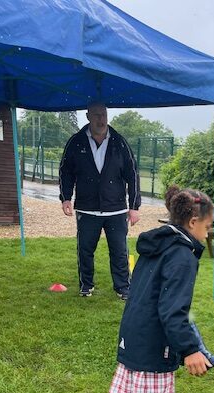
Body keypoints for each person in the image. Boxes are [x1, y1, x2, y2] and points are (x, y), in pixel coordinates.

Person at [109, 185, 214, 393]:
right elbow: (172, 310)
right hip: (154, 337)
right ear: (192, 222)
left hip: (135, 330)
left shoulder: (160, 241)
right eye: (207, 228)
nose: (208, 235)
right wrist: (191, 350)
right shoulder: (181, 255)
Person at [59, 102, 141, 299]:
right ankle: (86, 285)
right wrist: (66, 198)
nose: (101, 119)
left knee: (119, 250)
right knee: (85, 250)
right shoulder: (76, 142)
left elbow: (133, 174)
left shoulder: (119, 142)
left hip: (116, 209)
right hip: (87, 209)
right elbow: (65, 171)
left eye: (103, 115)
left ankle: (123, 287)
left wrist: (134, 206)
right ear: (88, 116)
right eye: (96, 115)